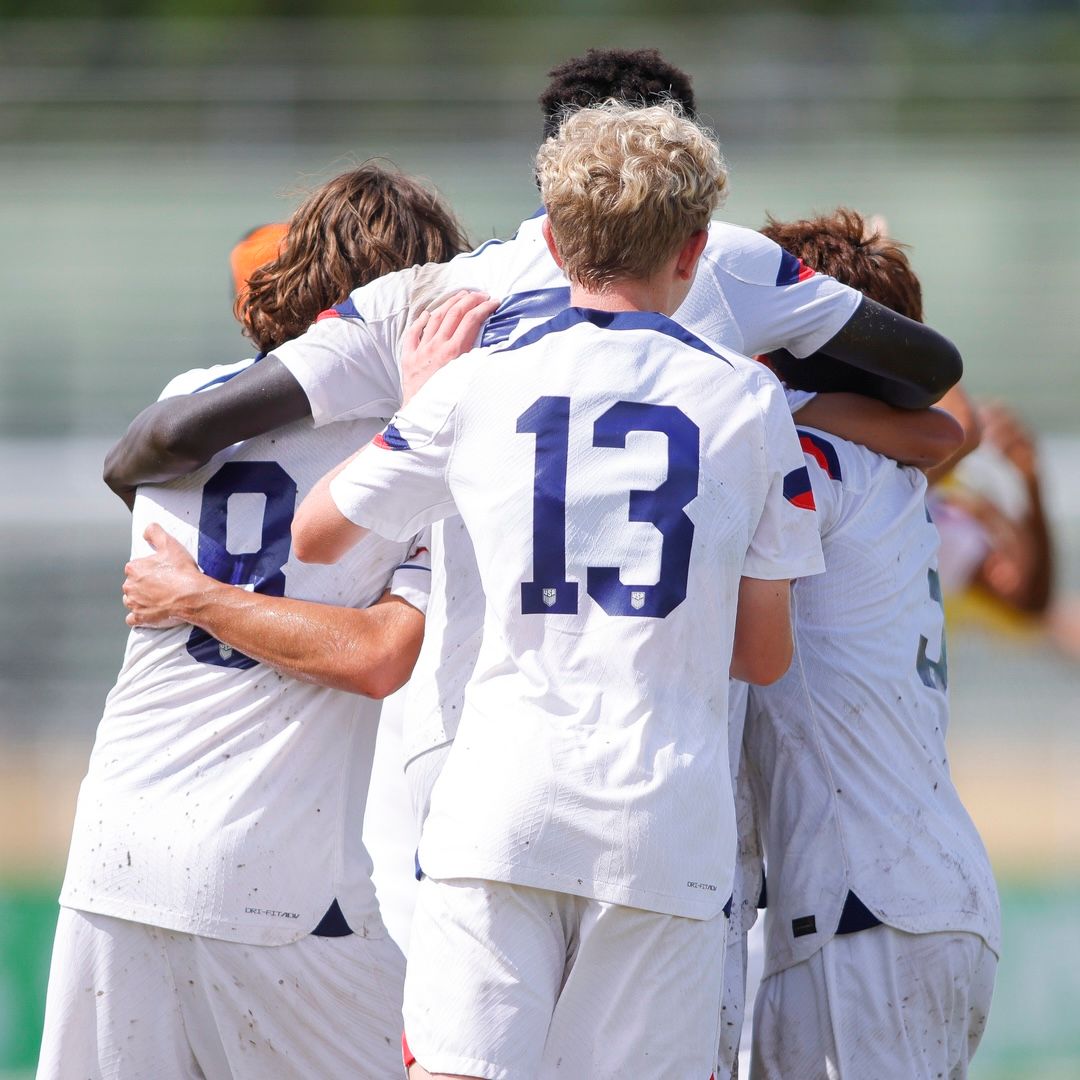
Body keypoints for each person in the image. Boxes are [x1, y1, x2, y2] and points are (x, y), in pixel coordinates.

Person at [100, 48, 964, 841]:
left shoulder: (438, 290)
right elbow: (929, 374)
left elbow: (182, 432)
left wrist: (139, 491)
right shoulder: (730, 267)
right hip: (669, 762)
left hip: (479, 748)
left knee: (452, 1009)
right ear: (694, 201)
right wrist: (792, 400)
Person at [292, 99, 826, 1080]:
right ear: (696, 247)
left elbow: (318, 533)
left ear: (556, 235)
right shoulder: (747, 398)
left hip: (502, 792)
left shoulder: (476, 384)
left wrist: (419, 417)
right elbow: (766, 654)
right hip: (664, 815)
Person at [37, 164, 469, 1080]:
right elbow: (380, 653)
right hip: (272, 880)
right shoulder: (418, 446)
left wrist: (198, 599)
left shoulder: (192, 396)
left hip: (113, 854)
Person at [740, 207, 1000, 1079]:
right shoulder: (887, 467)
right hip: (920, 893)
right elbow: (944, 428)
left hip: (863, 910)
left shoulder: (806, 455)